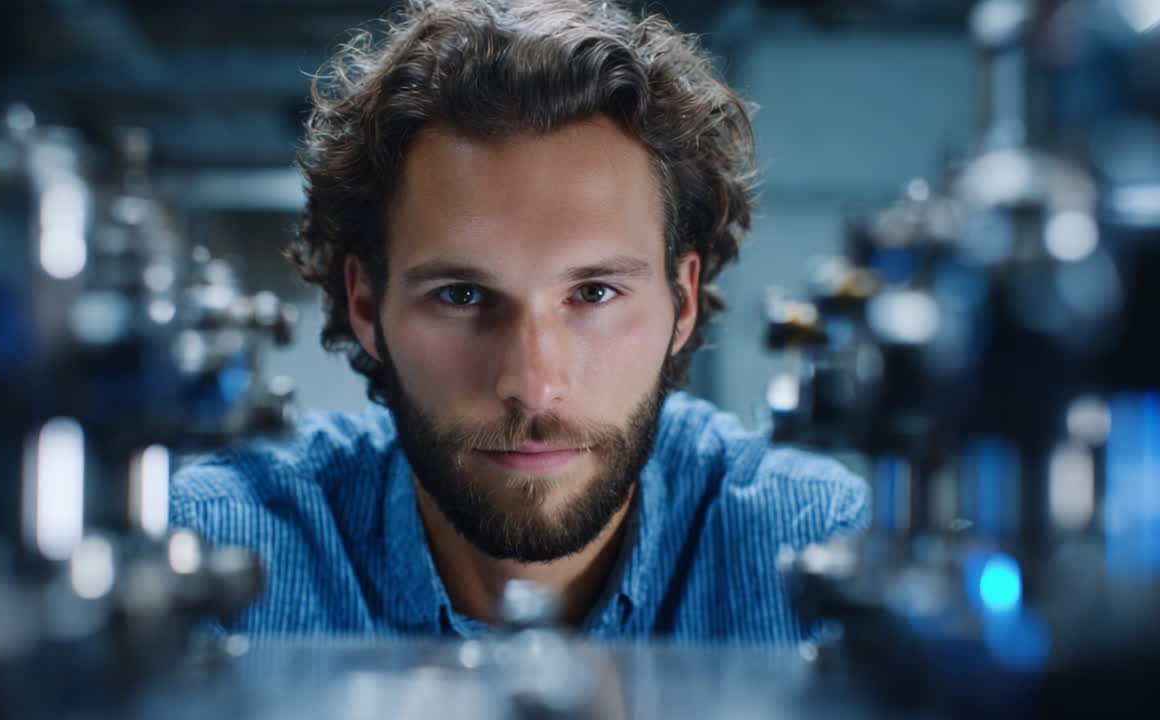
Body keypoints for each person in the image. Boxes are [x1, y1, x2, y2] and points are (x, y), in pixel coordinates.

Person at [170, 0, 868, 643]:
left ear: (682, 303)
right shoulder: (213, 551)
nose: (533, 387)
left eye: (593, 293)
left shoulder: (819, 553)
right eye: (462, 296)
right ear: (365, 306)